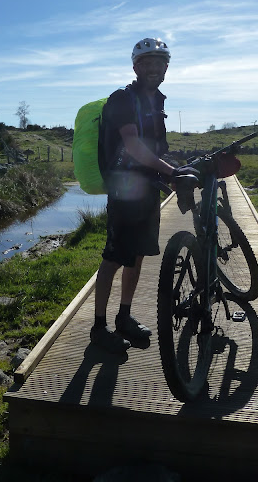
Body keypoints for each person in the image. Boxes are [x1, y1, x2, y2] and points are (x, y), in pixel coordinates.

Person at [90, 38, 183, 353]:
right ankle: (99, 327)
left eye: (160, 63)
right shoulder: (123, 99)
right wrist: (169, 171)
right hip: (124, 188)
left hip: (147, 188)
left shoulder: (156, 100)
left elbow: (155, 145)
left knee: (138, 254)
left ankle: (124, 317)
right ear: (135, 67)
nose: (154, 68)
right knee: (114, 257)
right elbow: (131, 144)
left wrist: (171, 171)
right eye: (147, 62)